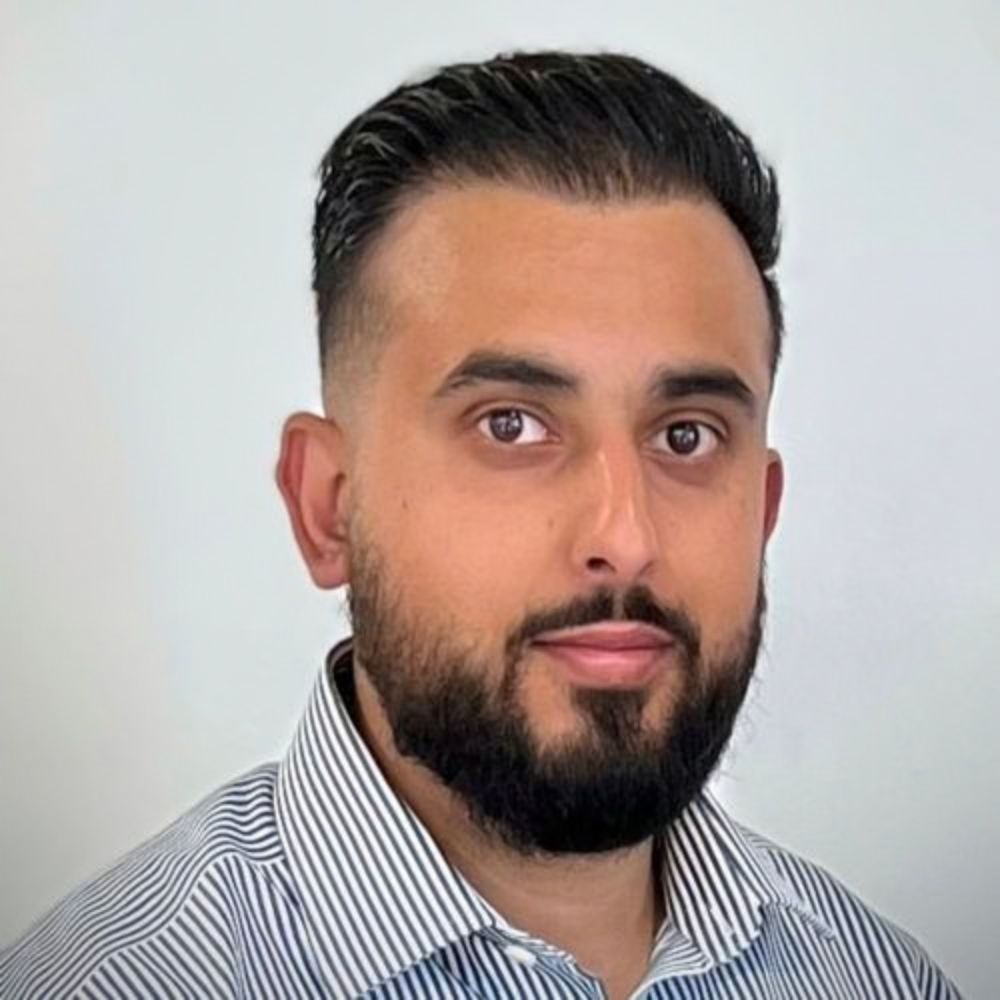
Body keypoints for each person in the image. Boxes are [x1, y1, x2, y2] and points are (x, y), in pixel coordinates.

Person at [0, 50, 963, 1000]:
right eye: (512, 424)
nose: (625, 536)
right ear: (329, 507)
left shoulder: (874, 974)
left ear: (763, 509)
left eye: (685, 434)